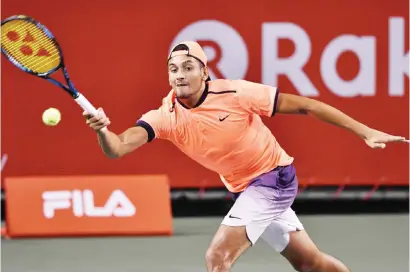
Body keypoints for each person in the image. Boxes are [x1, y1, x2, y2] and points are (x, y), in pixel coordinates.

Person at [84, 41, 406, 272]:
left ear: (204, 72)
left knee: (217, 257)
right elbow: (119, 146)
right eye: (173, 69)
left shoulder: (236, 93)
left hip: (274, 179)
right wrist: (102, 131)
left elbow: (308, 106)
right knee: (310, 263)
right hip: (245, 190)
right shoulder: (165, 116)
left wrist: (365, 131)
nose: (179, 74)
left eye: (188, 67)